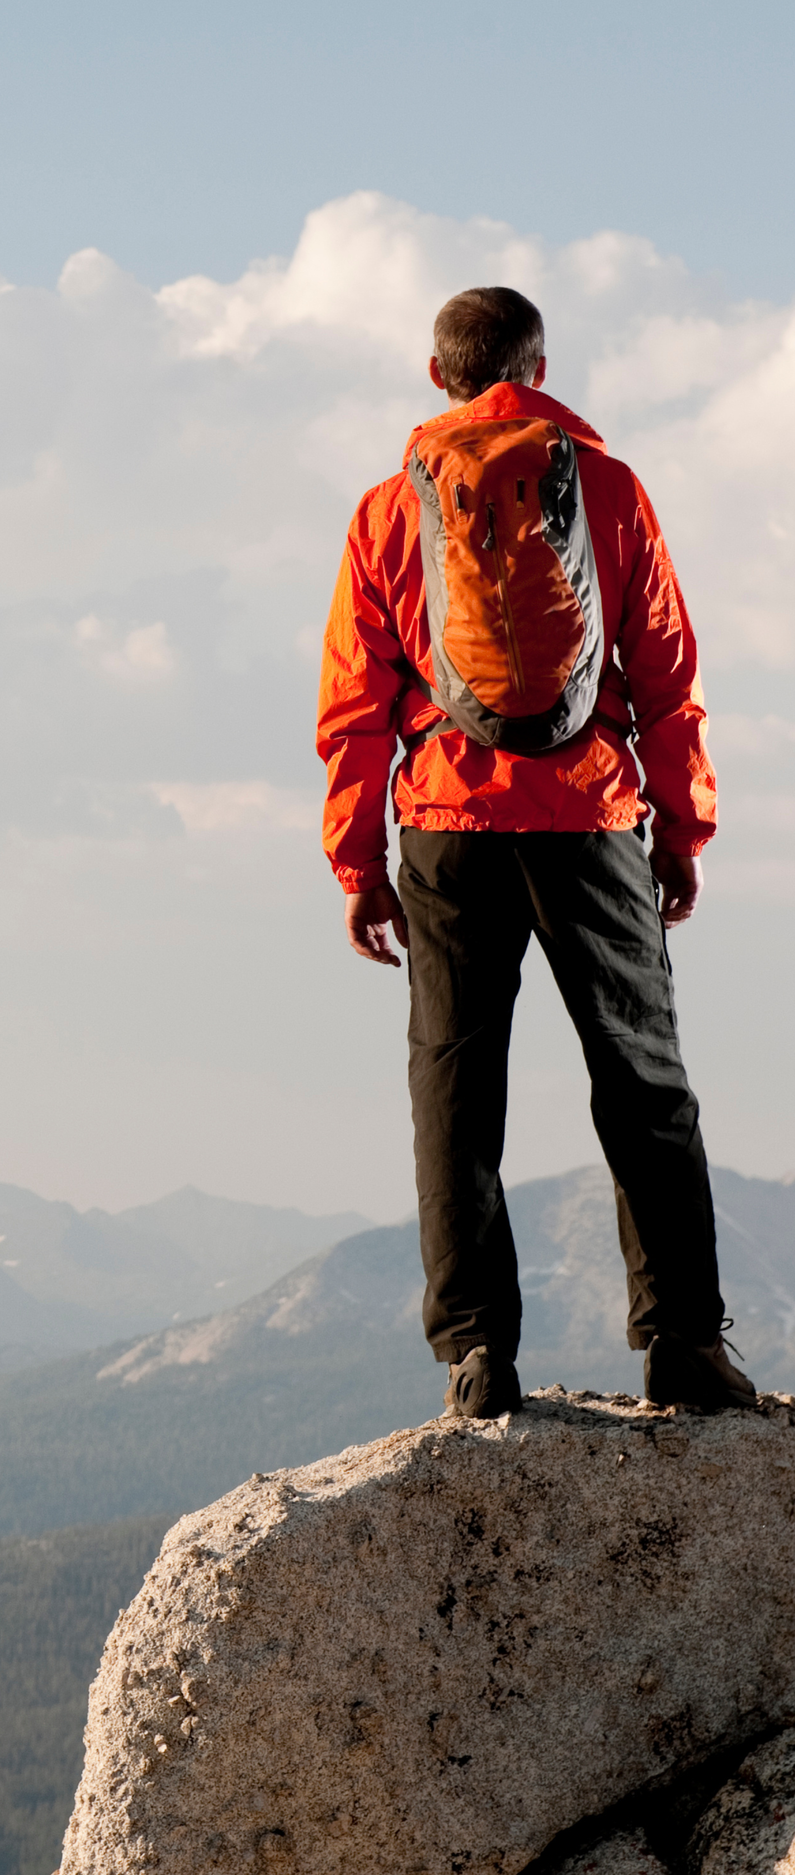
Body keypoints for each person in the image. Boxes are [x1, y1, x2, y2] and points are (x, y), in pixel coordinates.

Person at [314, 285, 755, 1419]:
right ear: (541, 367)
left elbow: (354, 707)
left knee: (455, 1090)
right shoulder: (606, 488)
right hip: (593, 821)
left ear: (435, 376)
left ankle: (475, 1356)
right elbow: (665, 673)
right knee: (643, 1084)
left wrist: (358, 864)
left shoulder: (383, 512)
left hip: (449, 831)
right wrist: (683, 827)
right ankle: (683, 1350)